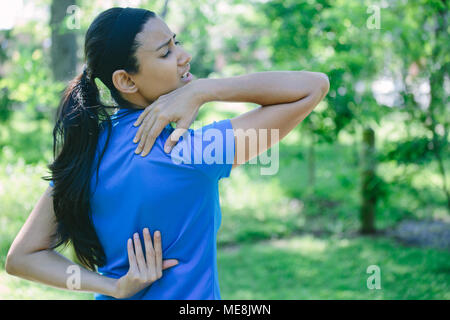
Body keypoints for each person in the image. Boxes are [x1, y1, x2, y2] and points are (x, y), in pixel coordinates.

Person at [5, 7, 329, 300]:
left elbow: (22, 257)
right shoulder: (191, 151)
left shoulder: (87, 153)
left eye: (177, 42)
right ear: (126, 80)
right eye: (165, 53)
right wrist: (205, 90)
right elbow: (313, 86)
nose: (183, 55)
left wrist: (112, 287)